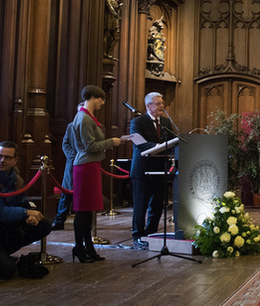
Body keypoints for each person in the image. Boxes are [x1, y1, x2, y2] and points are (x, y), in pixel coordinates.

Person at [0, 141, 53, 279]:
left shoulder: (16, 179)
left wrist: (29, 215)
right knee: (6, 271)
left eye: (7, 157)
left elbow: (22, 202)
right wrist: (25, 213)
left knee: (43, 224)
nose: (2, 160)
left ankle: (1, 254)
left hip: (7, 229)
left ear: (15, 160)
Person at [71, 85, 128, 262]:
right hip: (85, 166)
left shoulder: (88, 117)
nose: (102, 103)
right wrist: (112, 142)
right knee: (83, 211)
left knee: (88, 211)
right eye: (101, 99)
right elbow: (90, 146)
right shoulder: (83, 118)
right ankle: (80, 248)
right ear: (93, 97)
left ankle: (88, 247)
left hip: (91, 165)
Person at [130, 92, 175, 246]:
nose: (161, 106)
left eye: (162, 103)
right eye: (158, 103)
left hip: (160, 169)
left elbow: (173, 140)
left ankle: (151, 234)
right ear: (148, 106)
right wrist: (160, 146)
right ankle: (138, 237)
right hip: (142, 170)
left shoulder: (166, 122)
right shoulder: (137, 122)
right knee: (140, 205)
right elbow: (140, 144)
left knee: (157, 205)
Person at [52, 107, 80, 230]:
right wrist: (72, 157)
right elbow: (65, 143)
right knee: (66, 193)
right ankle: (59, 220)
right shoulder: (71, 126)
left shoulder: (95, 126)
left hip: (87, 163)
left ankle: (82, 222)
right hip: (72, 163)